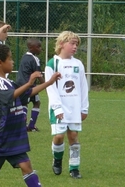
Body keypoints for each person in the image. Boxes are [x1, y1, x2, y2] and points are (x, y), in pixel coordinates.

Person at [0, 44, 61, 187]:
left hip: (13, 135)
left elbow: (27, 93)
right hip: (0, 136)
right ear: (0, 62)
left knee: (26, 167)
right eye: (10, 59)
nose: (13, 62)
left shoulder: (9, 82)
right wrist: (29, 82)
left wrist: (49, 82)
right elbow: (9, 97)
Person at [44, 31, 89, 179]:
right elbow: (51, 88)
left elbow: (83, 87)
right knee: (58, 136)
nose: (75, 47)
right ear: (62, 44)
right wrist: (57, 108)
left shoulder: (78, 64)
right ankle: (57, 160)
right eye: (72, 43)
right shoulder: (53, 63)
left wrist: (84, 108)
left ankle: (74, 168)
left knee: (74, 136)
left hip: (74, 107)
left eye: (77, 44)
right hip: (59, 107)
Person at [16, 38, 44, 132]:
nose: (41, 49)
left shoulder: (24, 57)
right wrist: (46, 84)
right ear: (31, 47)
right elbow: (38, 74)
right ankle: (30, 126)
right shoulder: (34, 58)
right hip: (29, 85)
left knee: (25, 103)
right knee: (36, 103)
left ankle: (24, 126)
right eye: (38, 47)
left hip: (20, 85)